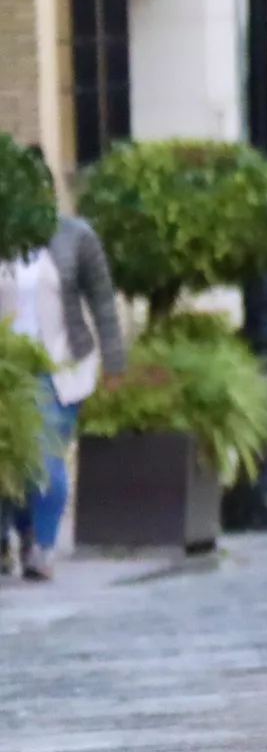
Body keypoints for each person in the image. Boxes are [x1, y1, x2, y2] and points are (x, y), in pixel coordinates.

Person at [4, 209, 124, 580]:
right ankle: (20, 534)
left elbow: (102, 299)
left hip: (59, 367)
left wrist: (114, 359)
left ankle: (43, 545)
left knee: (45, 456)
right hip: (9, 367)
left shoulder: (76, 236)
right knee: (10, 460)